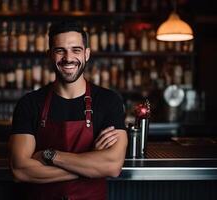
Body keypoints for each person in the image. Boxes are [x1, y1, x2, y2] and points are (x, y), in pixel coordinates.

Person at [9, 21, 128, 200]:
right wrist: (90, 164)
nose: (68, 58)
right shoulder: (29, 103)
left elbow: (112, 166)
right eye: (60, 50)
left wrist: (49, 155)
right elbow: (20, 170)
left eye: (76, 50)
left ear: (87, 54)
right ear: (49, 54)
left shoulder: (109, 101)